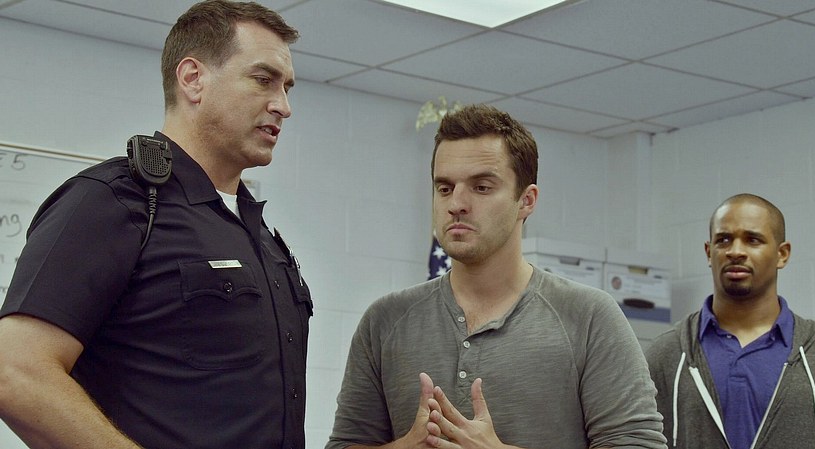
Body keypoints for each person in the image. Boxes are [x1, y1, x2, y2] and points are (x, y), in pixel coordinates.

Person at [0, 1, 312, 448]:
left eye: (287, 87)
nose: (283, 106)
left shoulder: (261, 237)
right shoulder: (112, 200)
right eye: (264, 80)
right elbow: (14, 371)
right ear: (193, 79)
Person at [326, 104, 666, 449]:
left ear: (526, 200)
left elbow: (639, 444)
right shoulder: (384, 321)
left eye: (481, 187)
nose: (456, 203)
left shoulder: (589, 317)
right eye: (444, 188)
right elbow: (344, 444)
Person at [645, 193, 815, 449]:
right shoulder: (663, 356)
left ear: (782, 254)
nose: (735, 251)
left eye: (752, 240)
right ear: (709, 252)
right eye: (723, 240)